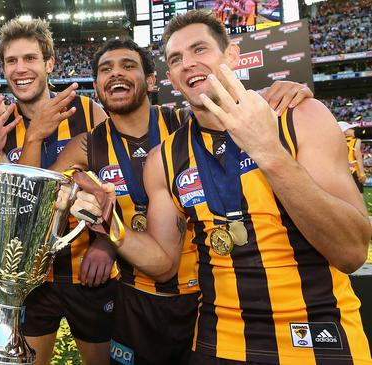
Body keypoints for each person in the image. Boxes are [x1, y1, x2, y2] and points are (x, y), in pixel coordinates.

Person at [68, 10, 372, 365]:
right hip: (219, 340)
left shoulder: (299, 118)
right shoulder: (163, 158)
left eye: (200, 50)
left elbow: (351, 252)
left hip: (321, 334)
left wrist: (268, 152)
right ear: (170, 77)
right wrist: (109, 226)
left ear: (232, 55)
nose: (189, 64)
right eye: (177, 59)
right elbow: (164, 264)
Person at [49, 37, 312, 365]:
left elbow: (236, 110)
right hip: (134, 296)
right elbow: (47, 198)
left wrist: (282, 91)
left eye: (128, 66)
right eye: (106, 69)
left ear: (150, 80)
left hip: (202, 298)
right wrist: (95, 225)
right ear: (98, 86)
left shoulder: (185, 123)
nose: (116, 74)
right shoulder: (87, 145)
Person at [0, 18, 114, 365]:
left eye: (30, 59)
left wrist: (106, 243)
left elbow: (117, 186)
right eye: (11, 61)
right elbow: (6, 208)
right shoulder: (1, 125)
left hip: (88, 272)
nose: (20, 69)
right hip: (28, 281)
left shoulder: (87, 112)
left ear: (49, 63)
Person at [340, 121, 367, 193]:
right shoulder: (356, 140)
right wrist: (362, 172)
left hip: (342, 170)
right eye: (352, 129)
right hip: (354, 170)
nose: (354, 130)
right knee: (358, 196)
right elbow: (357, 155)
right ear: (345, 131)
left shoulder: (339, 141)